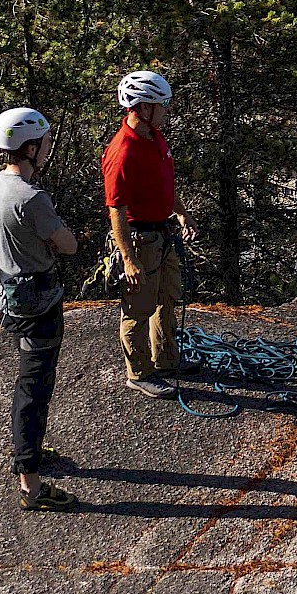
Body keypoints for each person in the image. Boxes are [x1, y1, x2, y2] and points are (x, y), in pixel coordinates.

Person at [0, 107, 80, 512]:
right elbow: (69, 244)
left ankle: (31, 451)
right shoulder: (32, 197)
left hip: (10, 291)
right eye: (43, 144)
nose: (47, 150)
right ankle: (31, 484)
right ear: (30, 147)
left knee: (32, 382)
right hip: (37, 299)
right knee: (35, 386)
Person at [103, 70, 195, 399]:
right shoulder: (123, 152)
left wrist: (181, 212)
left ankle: (166, 359)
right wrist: (127, 259)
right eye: (162, 104)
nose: (167, 110)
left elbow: (164, 184)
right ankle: (139, 373)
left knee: (168, 298)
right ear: (142, 108)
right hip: (140, 240)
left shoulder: (154, 136)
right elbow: (116, 209)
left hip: (163, 233)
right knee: (139, 307)